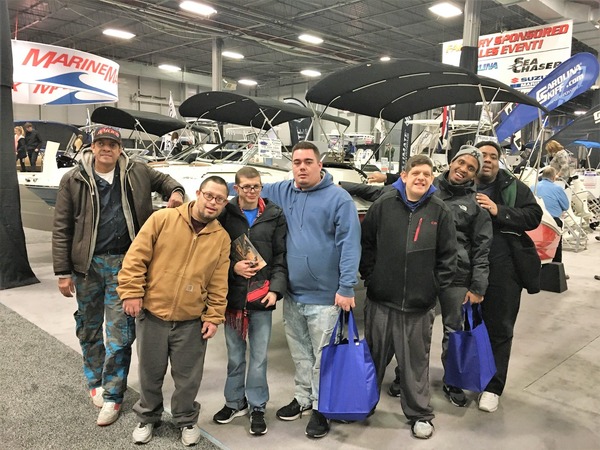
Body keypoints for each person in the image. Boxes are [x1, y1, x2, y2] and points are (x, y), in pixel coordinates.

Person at [52, 126, 185, 427]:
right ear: (92, 147)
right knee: (88, 327)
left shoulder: (137, 171)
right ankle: (95, 380)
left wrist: (176, 192)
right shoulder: (73, 179)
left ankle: (113, 395)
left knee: (120, 333)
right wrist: (62, 272)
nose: (106, 149)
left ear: (119, 149)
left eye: (112, 144)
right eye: (101, 143)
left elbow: (166, 181)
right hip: (87, 267)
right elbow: (61, 227)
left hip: (126, 266)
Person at [255, 141, 361, 439]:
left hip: (326, 297)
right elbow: (250, 188)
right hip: (293, 294)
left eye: (308, 162)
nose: (301, 167)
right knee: (301, 354)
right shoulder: (283, 191)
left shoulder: (339, 199)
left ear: (319, 165)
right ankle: (303, 397)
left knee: (323, 357)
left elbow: (350, 245)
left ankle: (321, 406)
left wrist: (346, 286)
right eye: (297, 162)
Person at [117, 176, 231, 446]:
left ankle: (186, 419)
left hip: (191, 321)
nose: (213, 202)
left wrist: (214, 316)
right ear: (198, 193)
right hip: (152, 315)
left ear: (224, 204)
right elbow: (136, 257)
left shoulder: (221, 239)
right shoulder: (163, 219)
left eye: (219, 199)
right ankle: (148, 417)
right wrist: (131, 291)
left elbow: (219, 282)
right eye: (209, 195)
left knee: (188, 378)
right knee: (150, 373)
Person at [360, 154, 458, 440]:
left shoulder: (440, 210)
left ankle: (419, 414)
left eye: (427, 174)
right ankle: (362, 404)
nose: (421, 178)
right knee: (372, 359)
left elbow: (448, 256)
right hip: (381, 300)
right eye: (416, 173)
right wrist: (371, 277)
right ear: (403, 176)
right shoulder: (383, 205)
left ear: (432, 178)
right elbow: (367, 243)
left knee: (415, 363)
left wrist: (432, 288)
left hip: (418, 305)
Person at [213, 167, 288, 436]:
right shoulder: (225, 214)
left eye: (256, 186)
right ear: (236, 188)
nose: (252, 191)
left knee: (258, 358)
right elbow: (214, 254)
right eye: (246, 187)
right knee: (235, 356)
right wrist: (233, 268)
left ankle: (257, 406)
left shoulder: (274, 215)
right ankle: (234, 402)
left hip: (261, 298)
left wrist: (276, 290)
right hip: (233, 298)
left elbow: (280, 255)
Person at [474, 140, 542, 413]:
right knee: (464, 326)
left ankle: (492, 387)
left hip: (504, 268)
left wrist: (498, 210)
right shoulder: (461, 180)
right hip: (467, 267)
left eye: (493, 156)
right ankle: (464, 376)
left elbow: (534, 216)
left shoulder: (513, 187)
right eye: (483, 155)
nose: (488, 160)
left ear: (499, 161)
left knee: (499, 329)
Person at [532, 166, 569, 263]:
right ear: (553, 177)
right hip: (552, 223)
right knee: (557, 245)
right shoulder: (557, 188)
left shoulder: (533, 187)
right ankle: (556, 266)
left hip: (535, 221)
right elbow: (566, 206)